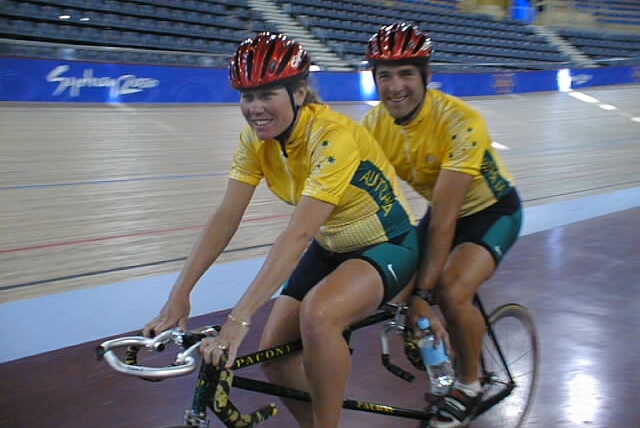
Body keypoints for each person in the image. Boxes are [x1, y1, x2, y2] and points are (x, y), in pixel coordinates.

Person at [143, 32, 419, 428]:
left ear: (300, 93)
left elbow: (298, 234)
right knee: (275, 353)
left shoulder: (333, 136)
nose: (254, 108)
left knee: (319, 314)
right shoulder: (255, 141)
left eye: (267, 94)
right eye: (246, 96)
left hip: (389, 244)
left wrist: (239, 320)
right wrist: (179, 295)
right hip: (331, 247)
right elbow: (226, 217)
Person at [362, 22, 523, 428]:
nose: (395, 86)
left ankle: (470, 383)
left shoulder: (461, 120)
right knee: (399, 292)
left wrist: (426, 293)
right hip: (442, 210)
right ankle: (444, 362)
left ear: (427, 76)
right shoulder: (374, 126)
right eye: (385, 75)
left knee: (447, 291)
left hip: (491, 211)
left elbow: (447, 218)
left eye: (406, 74)